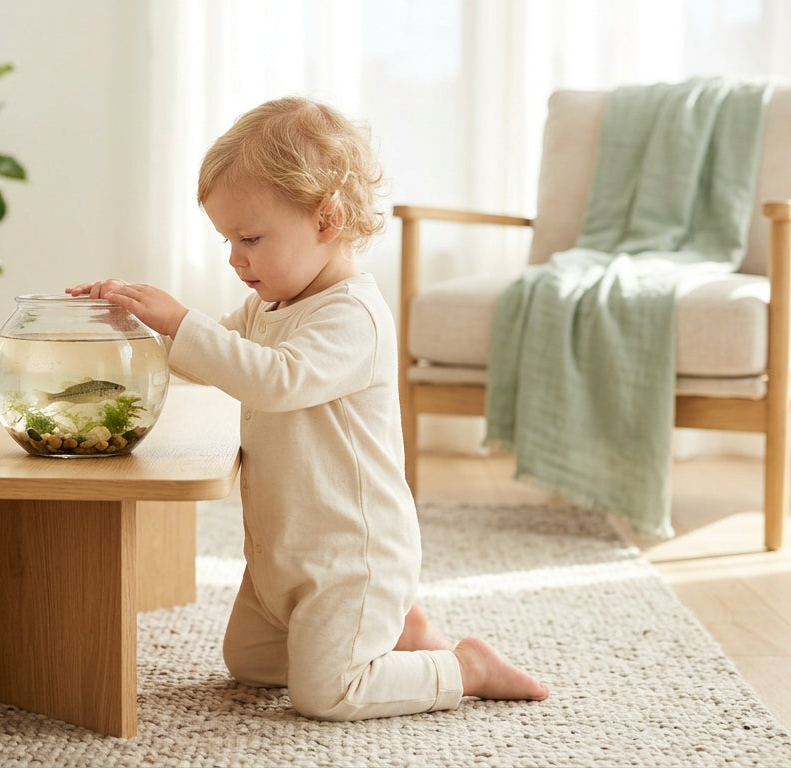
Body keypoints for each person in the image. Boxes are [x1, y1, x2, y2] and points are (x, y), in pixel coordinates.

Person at [68, 96, 548, 720]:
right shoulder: (270, 306)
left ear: (327, 220)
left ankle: (464, 666)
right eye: (227, 240)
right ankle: (398, 631)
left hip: (350, 557)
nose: (235, 258)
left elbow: (274, 379)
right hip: (282, 554)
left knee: (326, 693)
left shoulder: (354, 316)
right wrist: (142, 327)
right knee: (252, 664)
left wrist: (181, 320)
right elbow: (215, 355)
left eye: (249, 238)